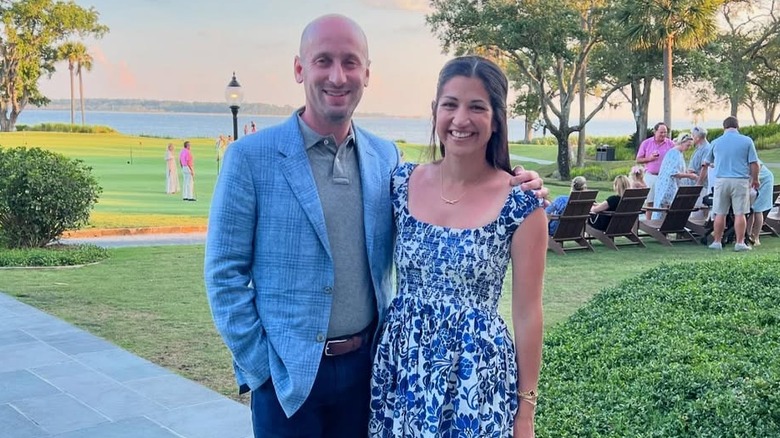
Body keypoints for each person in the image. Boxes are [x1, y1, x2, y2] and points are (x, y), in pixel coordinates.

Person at [204, 15, 545, 438]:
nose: (337, 76)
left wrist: (521, 182)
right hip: (288, 381)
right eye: (323, 61)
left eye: (350, 62)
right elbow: (223, 274)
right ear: (299, 68)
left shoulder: (386, 162)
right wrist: (262, 370)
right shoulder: (250, 158)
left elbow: (467, 194)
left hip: (371, 375)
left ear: (366, 73)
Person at [369, 55, 545, 438]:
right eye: (450, 104)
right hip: (403, 369)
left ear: (496, 120)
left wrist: (525, 412)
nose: (460, 120)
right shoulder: (400, 184)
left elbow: (528, 312)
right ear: (435, 110)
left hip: (475, 378)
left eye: (477, 107)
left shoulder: (521, 204)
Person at [705, 116, 759, 251]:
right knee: (740, 213)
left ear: (724, 127)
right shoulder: (747, 141)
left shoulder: (716, 142)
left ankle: (717, 241)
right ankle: (739, 242)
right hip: (740, 180)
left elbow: (707, 162)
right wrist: (755, 179)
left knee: (720, 212)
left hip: (721, 180)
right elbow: (754, 163)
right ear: (737, 126)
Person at [651, 133, 697, 220]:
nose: (688, 148)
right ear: (682, 143)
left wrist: (687, 172)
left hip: (673, 185)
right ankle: (660, 224)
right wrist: (689, 176)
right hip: (667, 185)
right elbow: (673, 172)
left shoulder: (679, 153)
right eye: (688, 145)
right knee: (664, 208)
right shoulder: (674, 153)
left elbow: (679, 169)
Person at [636, 122, 674, 219]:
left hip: (665, 177)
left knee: (664, 202)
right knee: (650, 201)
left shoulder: (670, 144)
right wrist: (650, 158)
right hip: (651, 175)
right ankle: (649, 223)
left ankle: (663, 223)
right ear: (655, 132)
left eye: (665, 132)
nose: (663, 134)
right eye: (661, 132)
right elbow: (638, 159)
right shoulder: (646, 143)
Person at [747, 161, 775, 246]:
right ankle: (748, 236)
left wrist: (752, 180)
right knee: (750, 208)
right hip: (754, 182)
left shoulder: (748, 155)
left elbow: (758, 165)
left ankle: (756, 237)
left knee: (757, 209)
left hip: (765, 181)